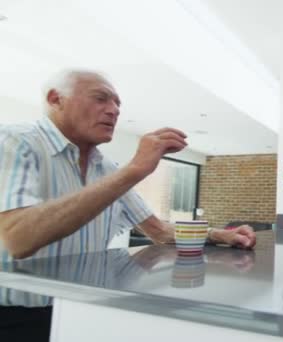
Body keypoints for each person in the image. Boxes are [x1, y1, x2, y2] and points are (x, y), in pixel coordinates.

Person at [0, 70, 256, 341]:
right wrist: (135, 169)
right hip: (16, 320)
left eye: (117, 104)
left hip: (82, 312)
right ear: (56, 99)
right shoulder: (15, 142)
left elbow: (159, 231)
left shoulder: (107, 168)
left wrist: (220, 235)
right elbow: (17, 238)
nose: (113, 111)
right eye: (101, 99)